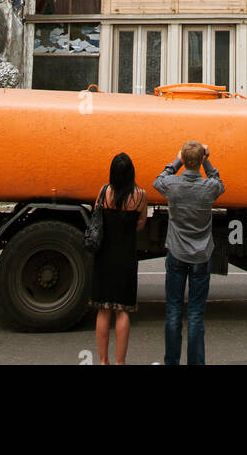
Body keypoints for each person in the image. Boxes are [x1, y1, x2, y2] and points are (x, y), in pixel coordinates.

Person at [153, 140, 225, 366]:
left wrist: (176, 162)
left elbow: (158, 180)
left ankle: (171, 361)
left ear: (184, 161)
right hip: (201, 257)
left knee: (173, 312)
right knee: (196, 315)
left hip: (176, 254)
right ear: (200, 162)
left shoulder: (172, 186)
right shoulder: (208, 188)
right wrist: (208, 160)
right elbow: (218, 181)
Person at [91, 153, 147, 366]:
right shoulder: (140, 196)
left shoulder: (104, 192)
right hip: (126, 258)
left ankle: (103, 361)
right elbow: (140, 225)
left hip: (104, 256)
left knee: (103, 310)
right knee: (122, 311)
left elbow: (96, 217)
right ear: (132, 173)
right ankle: (120, 362)